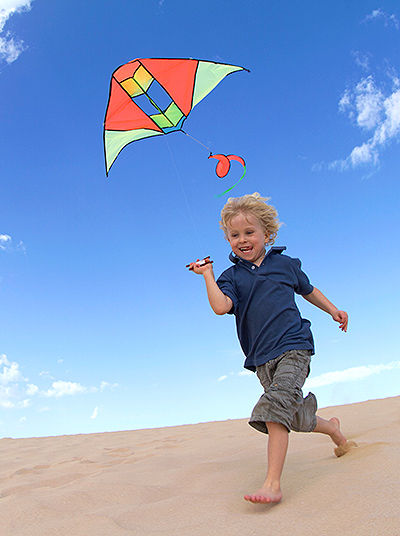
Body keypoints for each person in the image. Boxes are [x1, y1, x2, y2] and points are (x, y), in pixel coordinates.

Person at [188, 192, 356, 505]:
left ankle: (272, 484)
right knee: (291, 415)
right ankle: (333, 429)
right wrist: (207, 277)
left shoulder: (284, 264)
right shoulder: (231, 277)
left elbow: (308, 290)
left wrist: (333, 310)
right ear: (227, 239)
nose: (242, 239)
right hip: (262, 358)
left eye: (249, 232)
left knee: (275, 407)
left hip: (294, 345)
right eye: (234, 235)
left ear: (268, 233)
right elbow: (221, 307)